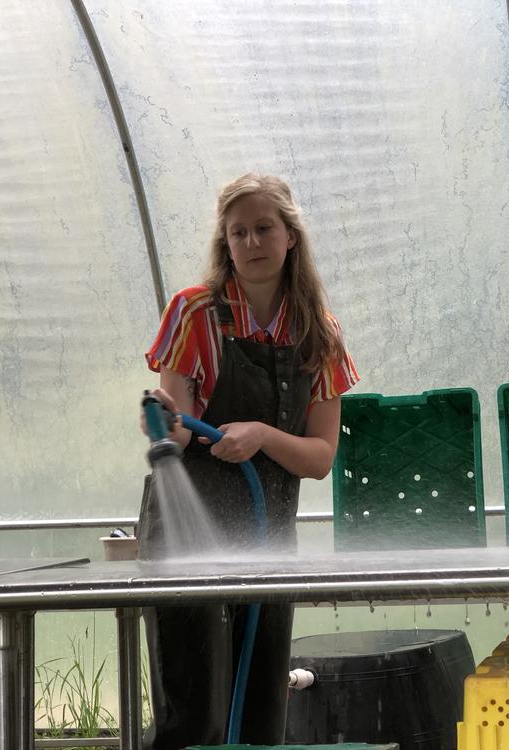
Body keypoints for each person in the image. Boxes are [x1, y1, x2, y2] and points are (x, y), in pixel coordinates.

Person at [137, 173, 359, 748]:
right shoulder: (193, 313)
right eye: (239, 232)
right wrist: (162, 419)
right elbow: (180, 434)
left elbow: (319, 457)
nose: (252, 242)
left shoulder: (320, 335)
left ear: (291, 237)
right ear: (225, 243)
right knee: (194, 710)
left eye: (264, 228)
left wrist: (262, 434)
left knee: (260, 708)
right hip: (188, 535)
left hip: (267, 538)